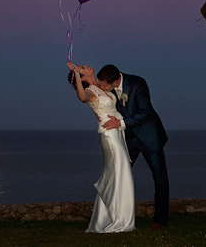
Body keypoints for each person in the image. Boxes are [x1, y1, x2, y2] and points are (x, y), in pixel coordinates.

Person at [97, 64, 169, 230]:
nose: (102, 88)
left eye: (104, 86)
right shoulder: (108, 86)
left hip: (150, 137)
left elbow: (145, 112)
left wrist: (120, 123)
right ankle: (115, 218)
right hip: (129, 139)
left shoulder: (138, 83)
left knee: (160, 180)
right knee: (118, 176)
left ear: (115, 82)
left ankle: (160, 221)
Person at [67, 62, 135, 233]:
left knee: (117, 175)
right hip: (109, 136)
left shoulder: (102, 87)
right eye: (83, 68)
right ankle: (119, 220)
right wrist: (76, 73)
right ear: (82, 77)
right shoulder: (89, 92)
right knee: (119, 173)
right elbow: (82, 97)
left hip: (117, 133)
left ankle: (108, 218)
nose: (86, 65)